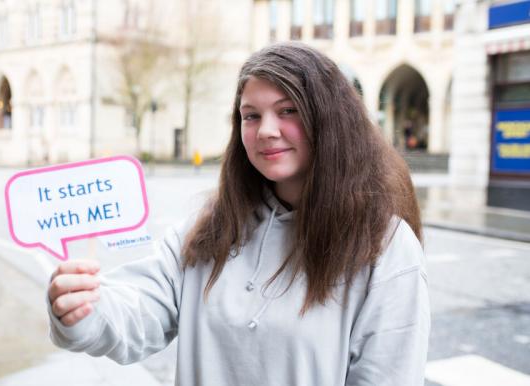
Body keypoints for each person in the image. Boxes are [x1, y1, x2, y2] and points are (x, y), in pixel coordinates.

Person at [46, 43, 430, 386]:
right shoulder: (209, 226)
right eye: (251, 115)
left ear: (330, 120)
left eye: (288, 111)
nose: (266, 130)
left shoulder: (386, 248)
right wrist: (82, 309)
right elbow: (139, 314)